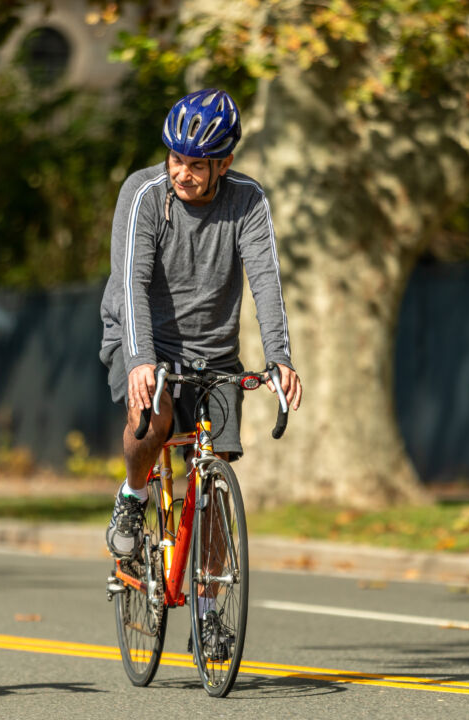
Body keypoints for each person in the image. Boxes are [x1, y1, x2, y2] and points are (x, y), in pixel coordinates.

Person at [98, 89, 304, 641]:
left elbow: (266, 282)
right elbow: (132, 285)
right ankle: (133, 496)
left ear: (224, 164)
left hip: (214, 351)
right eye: (176, 159)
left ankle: (209, 615)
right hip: (142, 338)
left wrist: (280, 358)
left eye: (196, 164)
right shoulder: (143, 194)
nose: (182, 173)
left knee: (214, 471)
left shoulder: (248, 201)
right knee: (156, 417)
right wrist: (141, 361)